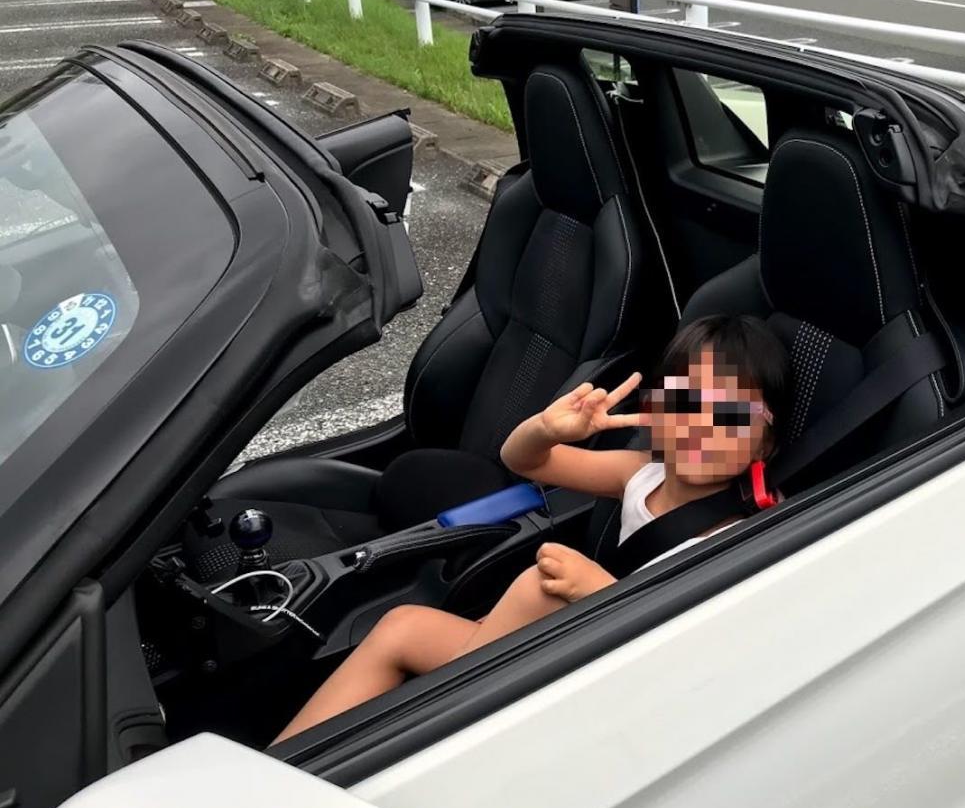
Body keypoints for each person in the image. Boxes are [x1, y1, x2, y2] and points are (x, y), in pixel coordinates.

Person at [274, 315, 790, 743]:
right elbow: (525, 461)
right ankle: (284, 765)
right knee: (403, 625)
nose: (702, 425)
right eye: (684, 402)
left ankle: (440, 724)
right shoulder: (642, 473)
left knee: (539, 586)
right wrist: (546, 429)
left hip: (614, 679)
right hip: (574, 639)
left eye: (731, 414)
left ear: (765, 443)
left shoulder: (741, 533)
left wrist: (601, 592)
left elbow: (695, 658)